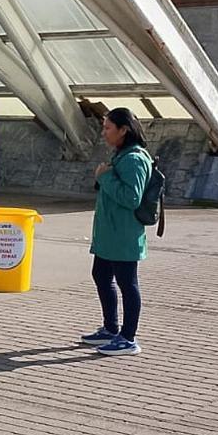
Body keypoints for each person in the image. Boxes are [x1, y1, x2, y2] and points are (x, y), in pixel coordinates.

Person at [79, 108, 152, 356]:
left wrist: (105, 177)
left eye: (108, 128)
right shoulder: (122, 155)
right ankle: (111, 328)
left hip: (124, 236)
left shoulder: (134, 159)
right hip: (110, 234)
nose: (104, 133)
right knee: (100, 275)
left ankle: (128, 337)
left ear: (124, 130)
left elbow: (132, 198)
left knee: (127, 284)